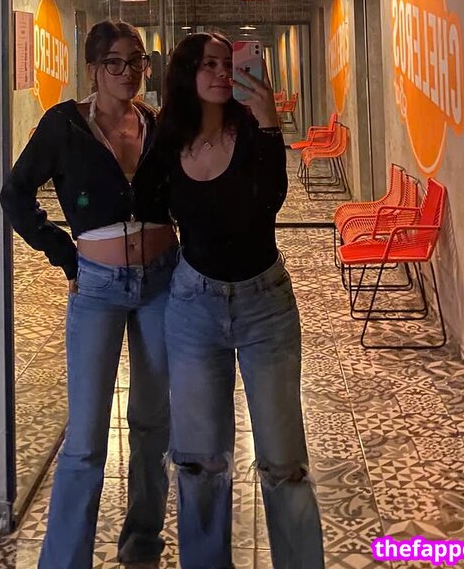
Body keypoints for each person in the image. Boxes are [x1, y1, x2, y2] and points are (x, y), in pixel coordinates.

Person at [138, 33, 324, 569]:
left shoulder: (252, 131)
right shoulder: (169, 141)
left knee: (284, 462)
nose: (222, 73)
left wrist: (270, 125)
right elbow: (143, 202)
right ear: (187, 75)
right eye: (209, 65)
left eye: (228, 63)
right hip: (193, 307)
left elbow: (269, 202)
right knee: (199, 463)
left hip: (265, 306)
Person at [1, 20, 177, 569]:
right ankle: (64, 559)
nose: (129, 72)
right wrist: (63, 253)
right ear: (94, 68)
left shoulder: (155, 123)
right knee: (85, 436)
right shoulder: (65, 125)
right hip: (97, 287)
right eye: (115, 62)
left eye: (137, 61)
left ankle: (143, 543)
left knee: (152, 423)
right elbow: (15, 193)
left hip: (161, 283)